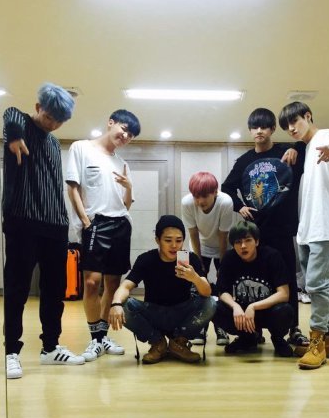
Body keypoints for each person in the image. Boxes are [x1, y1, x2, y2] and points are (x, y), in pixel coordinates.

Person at [2, 82, 85, 379]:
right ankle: (12, 352)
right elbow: (10, 112)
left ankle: (51, 347)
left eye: (60, 121)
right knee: (17, 289)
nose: (53, 125)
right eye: (50, 117)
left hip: (55, 226)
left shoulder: (53, 142)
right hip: (23, 222)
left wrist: (64, 222)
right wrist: (14, 136)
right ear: (38, 108)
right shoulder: (20, 125)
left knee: (54, 291)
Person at [221, 107, 308, 355]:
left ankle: (293, 328)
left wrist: (296, 148)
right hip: (255, 232)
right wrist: (239, 206)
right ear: (250, 130)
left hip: (282, 229)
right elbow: (227, 187)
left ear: (272, 129)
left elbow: (308, 144)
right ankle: (254, 329)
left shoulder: (285, 153)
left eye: (264, 127)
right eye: (255, 127)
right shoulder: (244, 161)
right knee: (253, 279)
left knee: (286, 279)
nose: (259, 131)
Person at [65, 109, 141, 363]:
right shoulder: (81, 148)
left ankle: (102, 337)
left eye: (131, 135)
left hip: (121, 223)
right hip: (96, 223)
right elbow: (73, 188)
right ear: (110, 123)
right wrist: (86, 221)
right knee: (91, 282)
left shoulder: (122, 163)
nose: (126, 136)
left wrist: (129, 187)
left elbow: (126, 205)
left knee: (112, 283)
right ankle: (95, 338)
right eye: (124, 129)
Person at [278, 101, 329, 369]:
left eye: (294, 122)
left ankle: (316, 343)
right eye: (287, 126)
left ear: (307, 116)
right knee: (323, 284)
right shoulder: (306, 149)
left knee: (317, 285)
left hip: (325, 225)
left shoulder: (325, 136)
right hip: (309, 227)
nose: (291, 129)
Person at [108, 215, 216, 365]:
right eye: (168, 240)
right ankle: (158, 343)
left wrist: (195, 278)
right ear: (157, 240)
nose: (174, 245)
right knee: (123, 304)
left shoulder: (190, 259)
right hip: (154, 313)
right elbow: (125, 286)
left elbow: (207, 292)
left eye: (179, 240)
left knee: (211, 303)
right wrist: (116, 304)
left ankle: (178, 343)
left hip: (182, 313)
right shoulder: (146, 259)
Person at [214, 221, 294, 357]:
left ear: (256, 241)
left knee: (285, 310)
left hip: (267, 311)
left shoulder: (272, 256)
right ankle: (247, 338)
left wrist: (254, 306)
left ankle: (278, 339)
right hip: (242, 314)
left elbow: (284, 294)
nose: (243, 246)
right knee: (215, 308)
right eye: (238, 242)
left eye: (248, 240)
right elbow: (222, 291)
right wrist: (235, 306)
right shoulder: (229, 258)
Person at [181, 171, 233, 346]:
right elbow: (193, 233)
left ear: (215, 192)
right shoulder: (187, 202)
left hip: (222, 246)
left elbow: (223, 236)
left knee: (221, 287)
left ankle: (221, 327)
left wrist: (223, 265)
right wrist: (199, 264)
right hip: (200, 246)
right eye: (196, 196)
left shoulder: (225, 202)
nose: (199, 201)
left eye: (204, 196)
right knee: (198, 286)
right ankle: (200, 327)